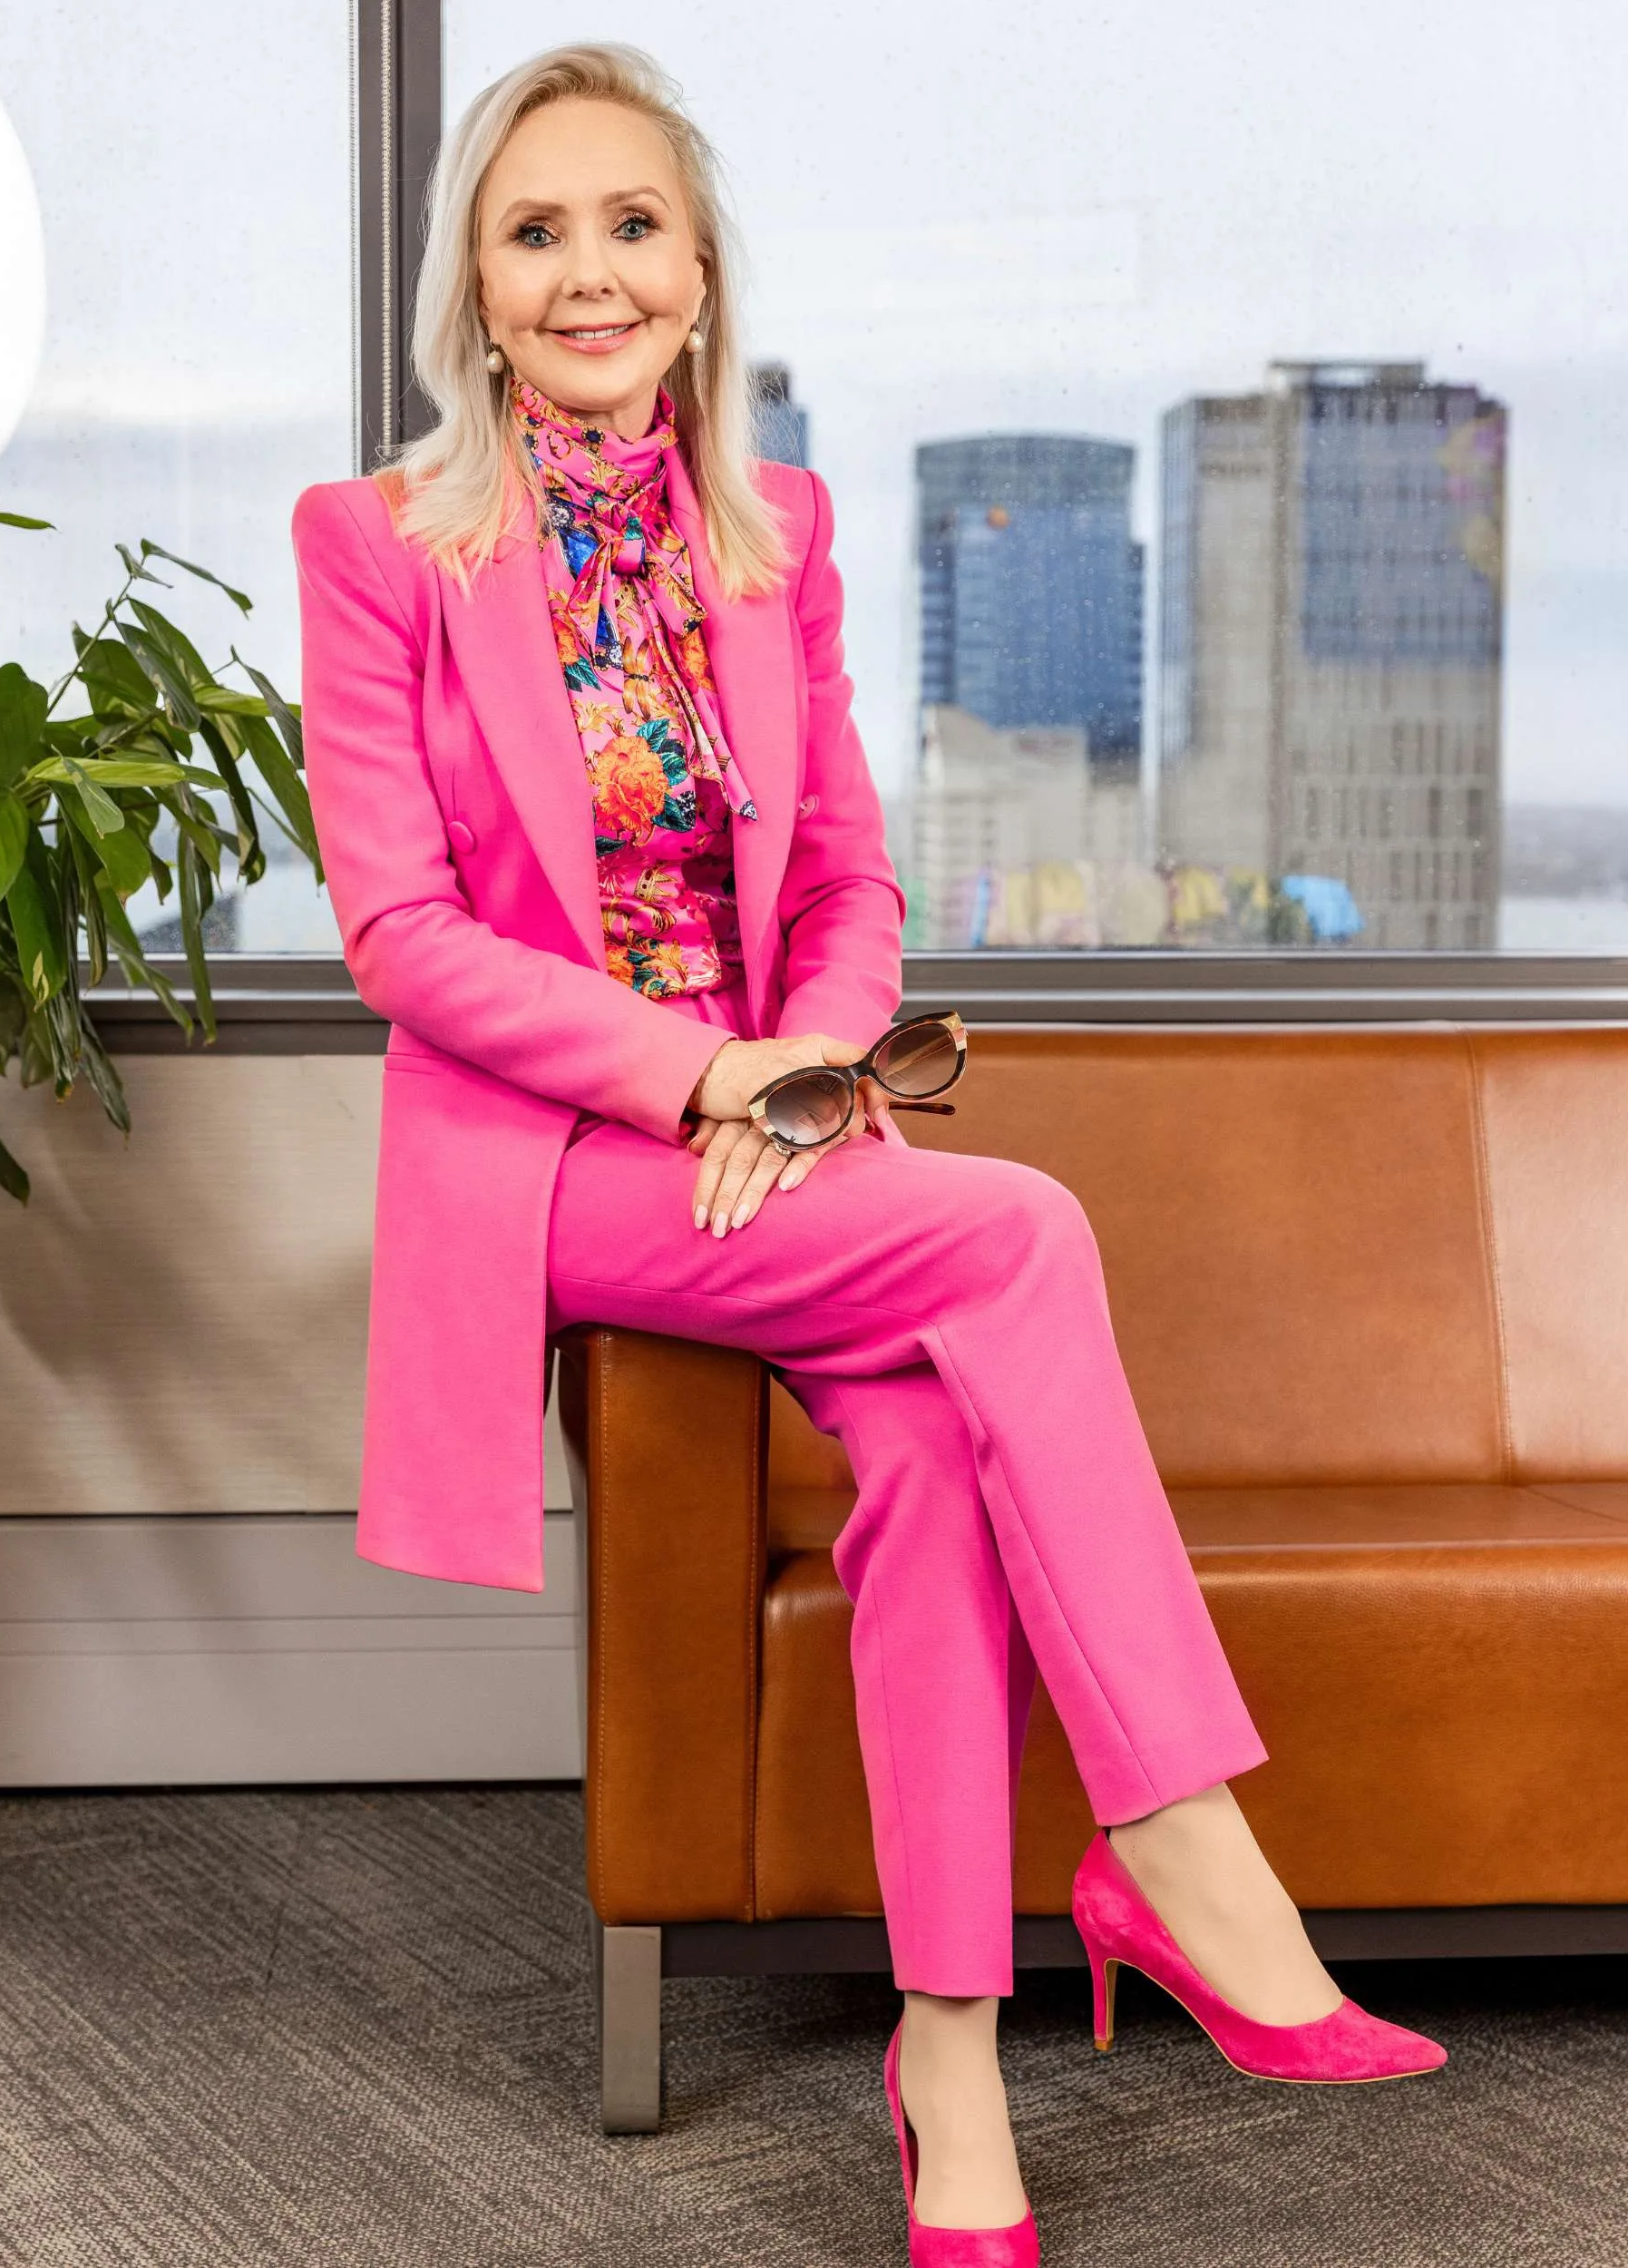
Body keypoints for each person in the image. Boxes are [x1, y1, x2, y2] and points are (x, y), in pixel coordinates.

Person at [290, 41, 1445, 2263]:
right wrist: (706, 1076)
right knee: (1021, 1231)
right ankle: (1179, 1837)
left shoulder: (778, 537)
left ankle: (950, 2064)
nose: (591, 270)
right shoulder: (380, 546)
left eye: (634, 223)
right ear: (477, 291)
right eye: (536, 231)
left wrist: (811, 1068)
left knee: (927, 1450)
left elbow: (844, 881)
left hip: (783, 1145)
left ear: (702, 272)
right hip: (564, 1159)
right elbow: (402, 937)